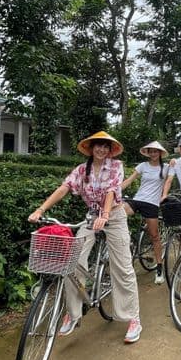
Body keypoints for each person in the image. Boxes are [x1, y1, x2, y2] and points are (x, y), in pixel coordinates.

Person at [28, 131, 142, 343]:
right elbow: (64, 188)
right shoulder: (81, 170)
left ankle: (132, 318)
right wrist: (40, 210)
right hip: (92, 217)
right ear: (91, 148)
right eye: (98, 145)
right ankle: (72, 314)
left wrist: (106, 214)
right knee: (72, 262)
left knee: (122, 267)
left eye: (105, 146)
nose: (101, 149)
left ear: (110, 150)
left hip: (115, 216)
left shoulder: (116, 166)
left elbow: (111, 191)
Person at [122, 140, 169, 285]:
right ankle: (125, 239)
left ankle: (159, 267)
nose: (153, 153)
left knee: (154, 236)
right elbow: (129, 180)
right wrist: (113, 191)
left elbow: (171, 179)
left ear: (160, 153)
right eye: (151, 151)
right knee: (116, 214)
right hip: (138, 200)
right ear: (148, 153)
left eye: (156, 151)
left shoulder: (166, 167)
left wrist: (175, 162)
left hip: (152, 204)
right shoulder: (143, 166)